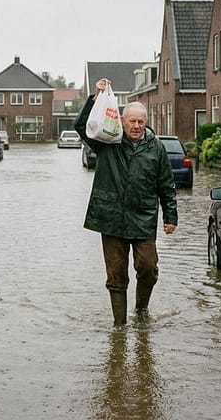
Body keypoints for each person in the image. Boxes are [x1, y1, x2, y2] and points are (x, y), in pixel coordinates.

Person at [75, 78, 178, 325]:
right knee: (116, 275)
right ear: (122, 121)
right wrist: (95, 97)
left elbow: (166, 183)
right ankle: (119, 327)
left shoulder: (156, 147)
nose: (136, 126)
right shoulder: (108, 141)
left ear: (146, 123)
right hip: (111, 218)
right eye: (132, 121)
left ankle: (141, 310)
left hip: (143, 217)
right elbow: (82, 126)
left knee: (148, 268)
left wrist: (170, 217)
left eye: (141, 122)